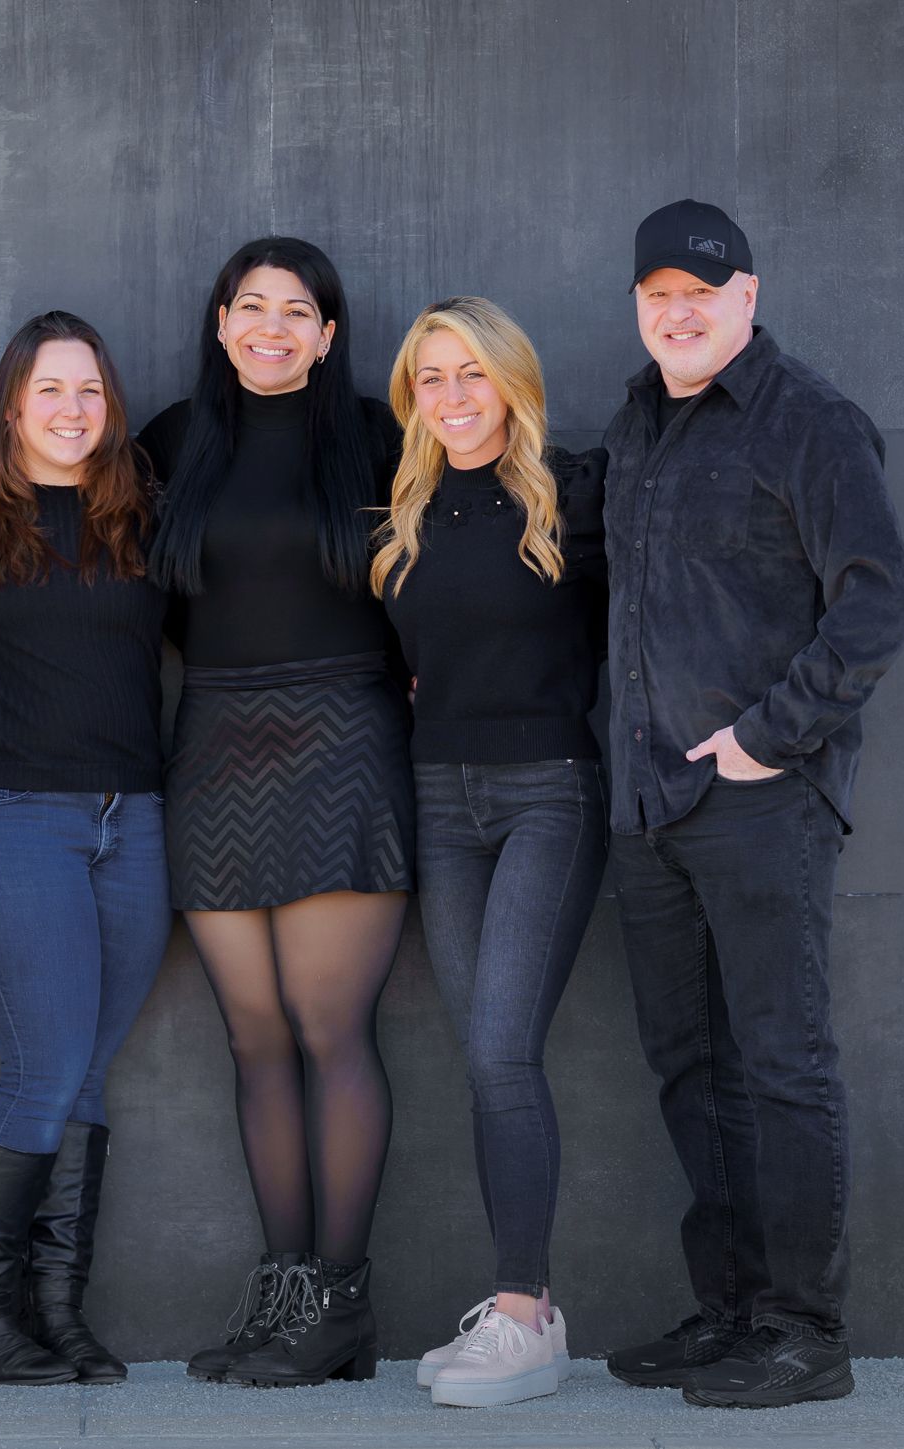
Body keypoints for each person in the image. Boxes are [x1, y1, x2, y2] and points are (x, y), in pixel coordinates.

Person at [601, 199, 904, 1409]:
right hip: (648, 804)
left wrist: (767, 741)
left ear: (748, 295)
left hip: (759, 803)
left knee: (781, 1064)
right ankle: (731, 1312)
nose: (678, 312)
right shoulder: (639, 420)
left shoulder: (812, 423)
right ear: (639, 305)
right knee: (693, 1067)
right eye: (657, 295)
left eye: (703, 292)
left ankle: (804, 1331)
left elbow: (878, 604)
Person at [140, 236, 411, 1388]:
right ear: (219, 322)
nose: (270, 328)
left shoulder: (378, 432)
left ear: (329, 333)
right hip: (211, 740)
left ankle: (339, 1306)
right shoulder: (170, 440)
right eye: (249, 307)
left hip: (343, 735)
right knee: (252, 1039)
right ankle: (287, 1292)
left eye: (295, 312)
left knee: (326, 1028)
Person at [0, 311, 170, 1387]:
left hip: (131, 823)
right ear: (10, 403)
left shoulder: (141, 515)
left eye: (91, 392)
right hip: (1, 813)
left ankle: (56, 1315)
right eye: (50, 391)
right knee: (46, 1063)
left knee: (87, 1073)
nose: (72, 411)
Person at [372, 297, 607, 1408]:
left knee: (504, 1049)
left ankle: (523, 1312)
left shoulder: (578, 494)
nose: (454, 397)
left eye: (474, 374)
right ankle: (528, 1320)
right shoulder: (409, 511)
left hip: (548, 795)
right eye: (432, 379)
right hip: (439, 799)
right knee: (483, 1056)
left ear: (514, 380)